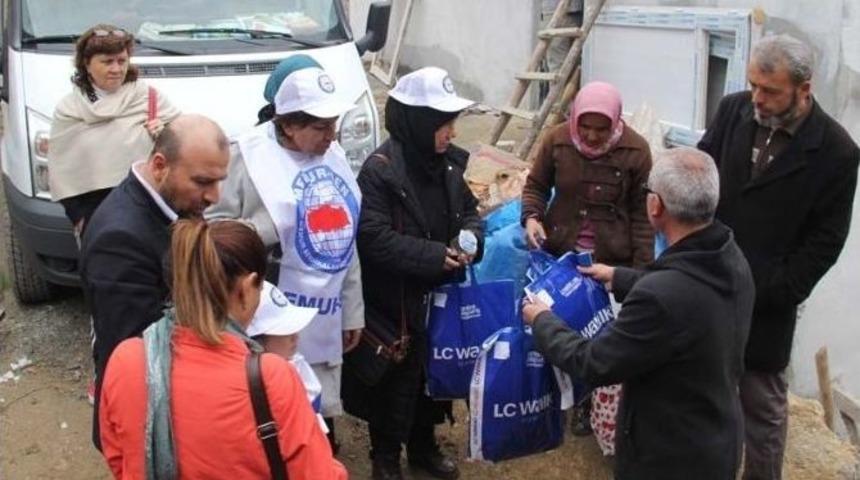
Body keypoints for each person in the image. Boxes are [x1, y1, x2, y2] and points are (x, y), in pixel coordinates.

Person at [522, 147, 755, 479]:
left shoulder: (659, 298)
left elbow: (593, 362)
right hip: (717, 438)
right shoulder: (730, 257)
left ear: (655, 205)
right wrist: (619, 277)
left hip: (667, 457)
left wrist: (542, 319)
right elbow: (688, 295)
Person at [697, 34, 859, 480]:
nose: (757, 98)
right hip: (708, 279)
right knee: (710, 396)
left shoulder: (837, 151)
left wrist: (777, 289)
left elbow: (826, 240)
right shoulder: (733, 110)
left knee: (762, 407)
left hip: (767, 300)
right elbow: (704, 174)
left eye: (770, 91)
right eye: (753, 85)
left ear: (803, 89)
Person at [99, 219, 347, 479]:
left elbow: (119, 456)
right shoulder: (270, 376)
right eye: (260, 289)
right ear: (246, 288)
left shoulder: (127, 359)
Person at [208, 55, 364, 453]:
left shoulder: (335, 156)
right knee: (268, 404)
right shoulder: (247, 155)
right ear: (289, 125)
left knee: (316, 412)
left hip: (324, 308)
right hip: (265, 306)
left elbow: (346, 238)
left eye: (334, 124)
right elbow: (214, 229)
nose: (331, 134)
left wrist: (352, 309)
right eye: (320, 126)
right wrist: (265, 235)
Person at [346, 67, 482, 480]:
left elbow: (472, 213)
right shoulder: (380, 169)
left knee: (430, 379)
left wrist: (469, 243)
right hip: (395, 301)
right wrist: (432, 256)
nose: (452, 134)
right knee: (392, 383)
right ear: (419, 122)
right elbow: (373, 237)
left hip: (437, 299)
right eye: (444, 124)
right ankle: (385, 458)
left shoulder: (449, 166)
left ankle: (423, 447)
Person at [81, 114, 229, 448]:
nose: (215, 196)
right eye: (203, 182)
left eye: (220, 181)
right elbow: (134, 356)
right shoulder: (119, 240)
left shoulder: (162, 208)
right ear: (160, 165)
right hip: (146, 428)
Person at [521, 80, 654, 434]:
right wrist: (532, 217)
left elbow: (643, 217)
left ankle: (588, 403)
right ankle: (553, 395)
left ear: (616, 122)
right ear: (574, 118)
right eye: (586, 126)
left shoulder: (636, 152)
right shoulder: (557, 140)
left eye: (602, 128)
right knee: (561, 326)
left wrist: (640, 275)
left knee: (601, 339)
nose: (593, 136)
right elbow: (535, 185)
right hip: (561, 256)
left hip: (611, 262)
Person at [49, 23, 179, 238]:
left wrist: (165, 134)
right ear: (86, 64)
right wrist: (80, 219)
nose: (117, 69)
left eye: (122, 61)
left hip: (148, 210)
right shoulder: (69, 110)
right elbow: (62, 171)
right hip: (96, 216)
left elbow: (181, 151)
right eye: (107, 62)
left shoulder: (150, 99)